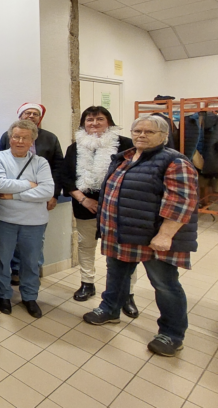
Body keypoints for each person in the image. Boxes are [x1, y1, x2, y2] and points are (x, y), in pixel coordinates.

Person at [83, 115, 198, 357]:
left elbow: (181, 202)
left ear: (164, 136)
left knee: (165, 284)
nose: (141, 135)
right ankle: (110, 310)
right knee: (117, 275)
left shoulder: (175, 162)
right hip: (121, 233)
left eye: (149, 132)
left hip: (153, 237)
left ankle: (172, 334)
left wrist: (166, 235)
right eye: (137, 131)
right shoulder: (124, 157)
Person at [61, 106, 136, 315]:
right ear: (83, 123)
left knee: (123, 251)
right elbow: (65, 177)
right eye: (89, 120)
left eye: (99, 119)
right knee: (86, 245)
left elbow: (133, 175)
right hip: (84, 204)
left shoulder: (125, 145)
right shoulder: (74, 148)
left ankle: (127, 294)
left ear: (108, 122)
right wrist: (83, 199)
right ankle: (87, 283)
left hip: (118, 206)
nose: (94, 124)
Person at [0, 120, 55, 319]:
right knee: (2, 260)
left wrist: (14, 195)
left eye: (25, 138)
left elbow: (47, 191)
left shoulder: (41, 162)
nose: (20, 141)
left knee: (31, 262)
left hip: (34, 223)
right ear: (10, 138)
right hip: (4, 219)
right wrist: (29, 184)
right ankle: (3, 295)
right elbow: (0, 186)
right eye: (16, 137)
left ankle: (29, 297)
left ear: (32, 140)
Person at [0, 103, 63, 285]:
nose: (31, 116)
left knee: (33, 248)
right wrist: (30, 185)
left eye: (35, 114)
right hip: (8, 208)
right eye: (28, 112)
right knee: (6, 249)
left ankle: (30, 282)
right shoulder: (5, 138)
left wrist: (53, 194)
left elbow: (57, 169)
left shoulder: (50, 139)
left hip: (38, 206)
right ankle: (13, 275)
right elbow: (1, 176)